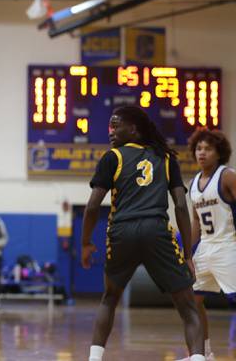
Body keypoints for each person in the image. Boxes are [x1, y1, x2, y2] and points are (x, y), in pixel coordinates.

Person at [81, 105, 204, 361]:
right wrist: (187, 254)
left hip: (122, 232)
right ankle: (199, 358)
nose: (111, 130)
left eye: (116, 125)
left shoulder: (113, 157)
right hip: (156, 231)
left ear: (134, 130)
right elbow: (181, 206)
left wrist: (85, 243)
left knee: (109, 298)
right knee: (187, 305)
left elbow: (93, 206)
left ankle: (94, 359)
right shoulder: (167, 158)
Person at [180, 128, 236, 361]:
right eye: (199, 148)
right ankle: (203, 354)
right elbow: (195, 221)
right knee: (191, 302)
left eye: (208, 149)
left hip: (229, 247)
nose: (202, 153)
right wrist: (187, 254)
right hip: (205, 249)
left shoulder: (228, 176)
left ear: (219, 152)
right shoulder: (193, 183)